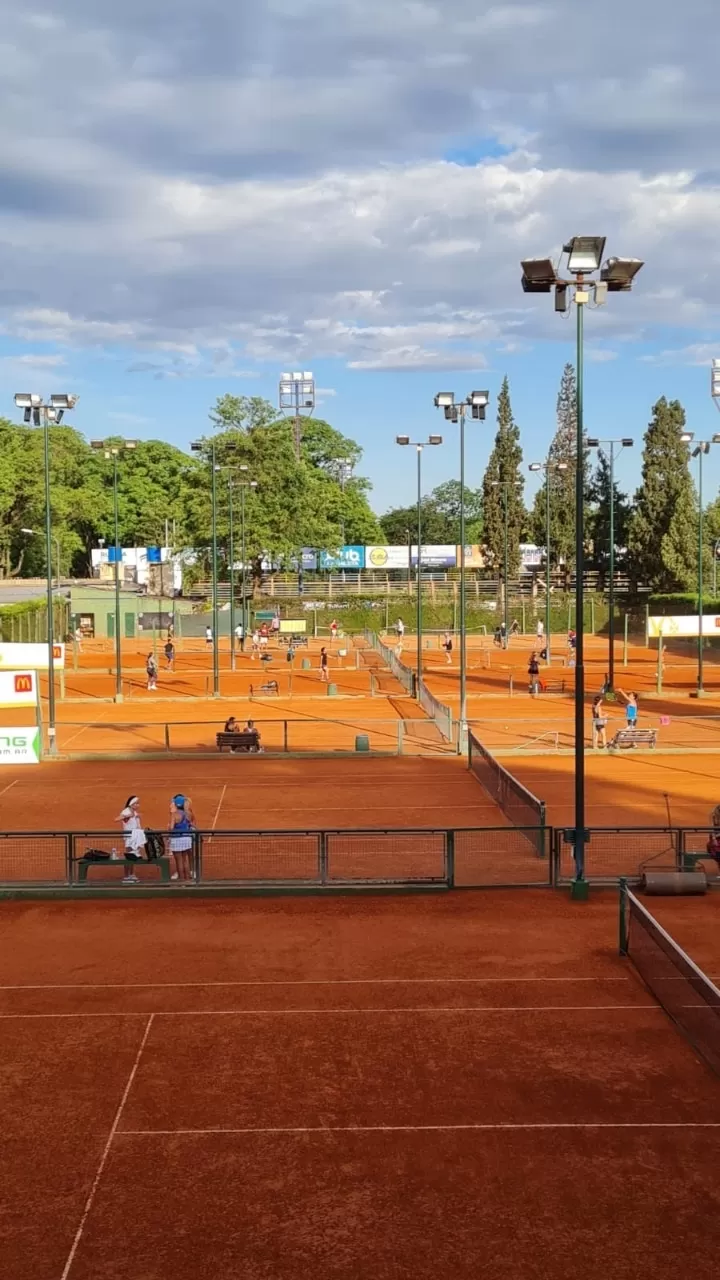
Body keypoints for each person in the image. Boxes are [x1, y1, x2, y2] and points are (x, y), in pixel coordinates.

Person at [116, 795, 146, 883]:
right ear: (131, 804)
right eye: (136, 803)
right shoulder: (126, 811)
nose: (138, 805)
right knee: (129, 856)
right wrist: (128, 816)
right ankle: (126, 876)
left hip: (136, 837)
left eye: (138, 803)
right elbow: (117, 819)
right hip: (129, 838)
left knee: (134, 856)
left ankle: (132, 874)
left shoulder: (134, 812)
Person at [169, 793, 195, 883]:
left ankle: (181, 881)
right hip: (186, 839)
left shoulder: (174, 814)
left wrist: (169, 826)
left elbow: (171, 828)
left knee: (178, 861)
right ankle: (187, 879)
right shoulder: (187, 813)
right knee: (185, 860)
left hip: (177, 839)